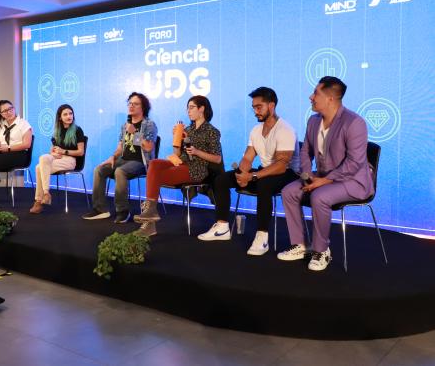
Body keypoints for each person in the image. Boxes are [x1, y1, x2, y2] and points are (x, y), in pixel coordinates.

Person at [278, 76, 373, 271]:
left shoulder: (354, 123)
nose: (310, 97)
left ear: (330, 98)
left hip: (353, 181)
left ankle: (321, 250)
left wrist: (325, 180)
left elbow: (354, 163)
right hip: (321, 176)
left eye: (315, 93)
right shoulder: (313, 121)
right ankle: (300, 245)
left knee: (319, 196)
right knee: (289, 191)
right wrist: (307, 175)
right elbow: (305, 151)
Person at [198, 87, 299, 255]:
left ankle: (262, 237)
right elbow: (247, 157)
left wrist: (252, 176)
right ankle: (222, 227)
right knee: (222, 179)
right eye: (254, 107)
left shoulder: (285, 129)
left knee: (264, 185)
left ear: (271, 106)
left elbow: (282, 165)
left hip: (287, 174)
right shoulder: (256, 130)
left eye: (259, 107)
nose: (255, 111)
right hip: (263, 172)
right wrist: (242, 174)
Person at [133, 95, 223, 237]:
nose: (188, 111)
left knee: (156, 176)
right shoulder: (188, 129)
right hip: (180, 162)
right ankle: (151, 212)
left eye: (191, 107)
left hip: (196, 168)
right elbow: (178, 153)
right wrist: (176, 138)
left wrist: (197, 152)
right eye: (187, 108)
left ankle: (149, 221)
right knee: (154, 163)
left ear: (202, 109)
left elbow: (217, 159)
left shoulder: (212, 131)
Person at [81, 92, 157, 223]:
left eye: (135, 104)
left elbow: (149, 147)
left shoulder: (149, 124)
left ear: (143, 107)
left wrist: (135, 132)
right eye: (130, 103)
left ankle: (123, 211)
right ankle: (100, 209)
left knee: (120, 171)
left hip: (140, 162)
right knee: (99, 169)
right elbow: (120, 147)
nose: (131, 106)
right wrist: (113, 156)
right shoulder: (125, 125)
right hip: (123, 160)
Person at [29, 104, 85, 214]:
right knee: (43, 158)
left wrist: (64, 151)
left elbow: (81, 152)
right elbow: (52, 150)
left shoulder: (77, 130)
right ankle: (46, 193)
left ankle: (39, 200)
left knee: (39, 168)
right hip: (58, 158)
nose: (69, 116)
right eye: (65, 114)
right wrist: (54, 154)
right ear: (60, 117)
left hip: (70, 160)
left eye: (70, 113)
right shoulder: (57, 131)